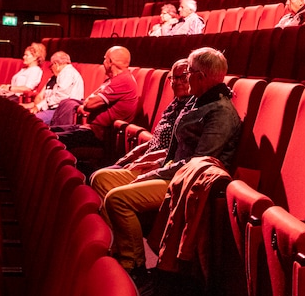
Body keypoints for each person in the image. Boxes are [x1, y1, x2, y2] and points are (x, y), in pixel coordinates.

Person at [99, 47, 241, 274]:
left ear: (201, 77)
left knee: (117, 199)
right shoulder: (198, 100)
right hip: (172, 171)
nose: (186, 78)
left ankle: (133, 263)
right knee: (103, 181)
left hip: (188, 183)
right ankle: (116, 247)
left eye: (190, 72)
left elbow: (197, 163)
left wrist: (152, 173)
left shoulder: (220, 112)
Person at [90, 59, 197, 198]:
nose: (176, 82)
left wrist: (149, 160)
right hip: (148, 157)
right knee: (98, 177)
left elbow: (181, 150)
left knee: (101, 180)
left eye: (182, 77)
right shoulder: (175, 104)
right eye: (173, 78)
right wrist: (137, 151)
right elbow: (158, 139)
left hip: (161, 166)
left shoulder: (193, 108)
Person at [55, 46, 138, 155]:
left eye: (104, 59)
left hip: (100, 136)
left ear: (110, 62)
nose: (103, 62)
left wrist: (89, 101)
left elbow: (89, 104)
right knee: (47, 132)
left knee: (51, 140)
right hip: (90, 129)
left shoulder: (123, 81)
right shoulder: (114, 79)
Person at [24, 51, 85, 124]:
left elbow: (60, 97)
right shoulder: (63, 74)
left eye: (50, 66)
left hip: (60, 112)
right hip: (55, 109)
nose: (51, 70)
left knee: (29, 121)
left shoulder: (67, 73)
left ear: (56, 64)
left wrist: (39, 106)